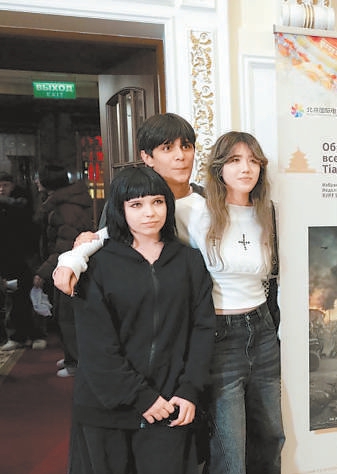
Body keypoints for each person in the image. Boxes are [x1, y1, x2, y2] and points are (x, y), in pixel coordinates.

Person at [68, 166, 215, 474]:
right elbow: (95, 345)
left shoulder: (189, 261)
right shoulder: (96, 264)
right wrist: (141, 396)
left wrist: (189, 389)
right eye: (136, 204)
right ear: (119, 209)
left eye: (157, 202)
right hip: (106, 408)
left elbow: (202, 330)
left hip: (170, 404)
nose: (150, 212)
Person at [176, 130, 285, 474]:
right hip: (220, 337)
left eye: (253, 161)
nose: (246, 168)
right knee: (229, 449)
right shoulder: (195, 211)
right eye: (236, 160)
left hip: (263, 332)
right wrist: (75, 256)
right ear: (219, 167)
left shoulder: (268, 212)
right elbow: (125, 230)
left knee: (271, 438)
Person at [53, 112, 205, 296]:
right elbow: (109, 240)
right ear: (147, 157)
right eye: (167, 148)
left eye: (186, 146)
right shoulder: (126, 201)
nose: (180, 156)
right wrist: (76, 255)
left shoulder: (210, 200)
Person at [33, 164, 94, 376]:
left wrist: (43, 272)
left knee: (70, 316)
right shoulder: (61, 201)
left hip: (72, 266)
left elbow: (65, 244)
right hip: (65, 264)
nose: (36, 181)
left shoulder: (67, 207)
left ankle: (76, 363)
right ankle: (71, 357)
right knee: (65, 315)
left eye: (39, 177)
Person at [0, 171, 43, 351]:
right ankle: (17, 335)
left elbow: (30, 227)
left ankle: (36, 334)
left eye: (5, 185)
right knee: (12, 297)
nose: (1, 189)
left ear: (13, 185)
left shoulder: (23, 201)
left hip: (26, 256)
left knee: (32, 296)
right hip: (6, 258)